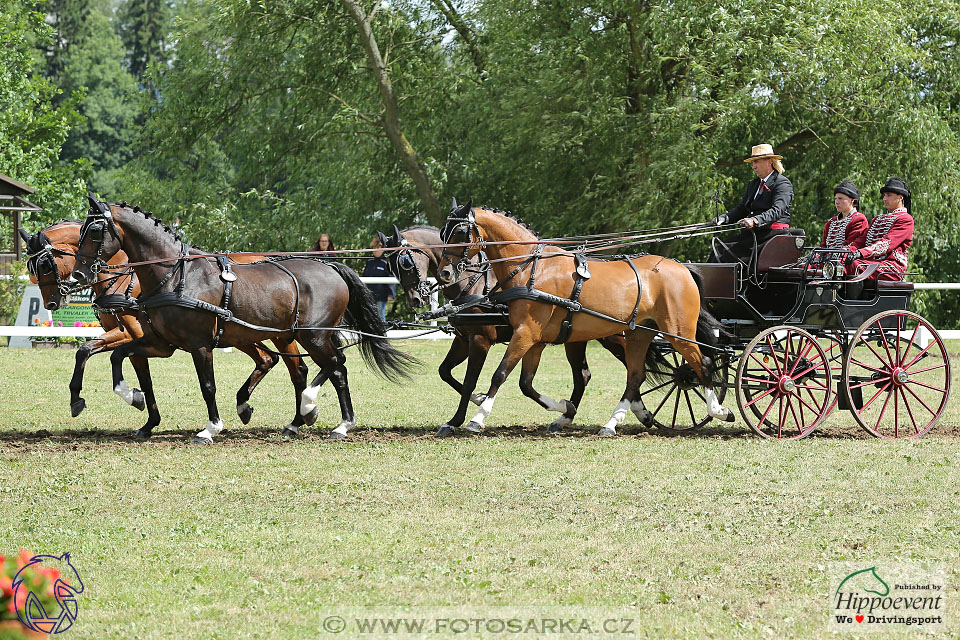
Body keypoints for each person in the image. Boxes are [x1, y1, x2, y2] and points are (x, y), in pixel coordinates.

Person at [710, 143, 794, 265]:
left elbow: (778, 210)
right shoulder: (753, 184)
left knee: (723, 253)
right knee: (718, 250)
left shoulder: (782, 183)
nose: (753, 167)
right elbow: (742, 209)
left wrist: (755, 220)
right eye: (753, 163)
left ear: (769, 161)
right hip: (754, 235)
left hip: (771, 236)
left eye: (757, 162)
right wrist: (725, 218)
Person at [844, 177, 914, 281]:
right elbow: (861, 240)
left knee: (855, 265)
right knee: (839, 262)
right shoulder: (877, 219)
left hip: (891, 267)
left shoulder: (905, 219)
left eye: (889, 195)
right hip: (871, 263)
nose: (884, 199)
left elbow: (886, 244)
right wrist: (843, 252)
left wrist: (861, 253)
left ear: (900, 197)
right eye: (884, 195)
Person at [812, 179, 868, 263]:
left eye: (841, 198)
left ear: (852, 200)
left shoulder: (859, 219)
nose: (837, 202)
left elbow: (853, 246)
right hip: (827, 260)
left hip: (845, 261)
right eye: (836, 198)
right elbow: (823, 246)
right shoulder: (831, 222)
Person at [362, 236, 395, 321]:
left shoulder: (386, 262)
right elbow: (364, 277)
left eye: (379, 248)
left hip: (382, 295)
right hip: (369, 295)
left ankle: (382, 332)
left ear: (383, 249)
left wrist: (391, 294)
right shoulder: (369, 262)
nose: (376, 250)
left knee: (380, 315)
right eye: (374, 248)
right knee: (370, 316)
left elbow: (391, 279)